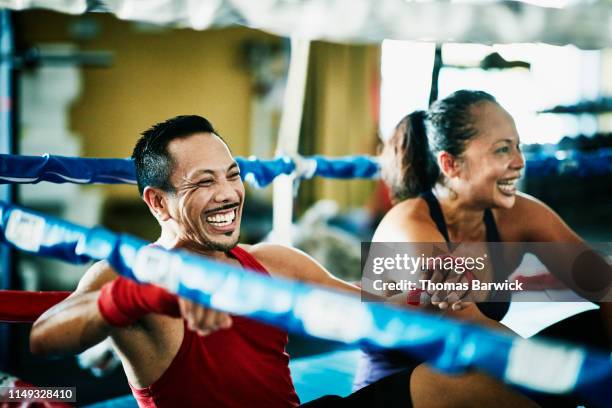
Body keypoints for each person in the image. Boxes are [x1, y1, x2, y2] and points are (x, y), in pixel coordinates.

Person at [26, 115, 550, 407]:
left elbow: (371, 309)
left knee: (478, 384)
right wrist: (137, 295)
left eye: (232, 175)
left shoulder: (273, 261)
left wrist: (432, 294)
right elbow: (43, 338)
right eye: (204, 182)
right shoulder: (131, 270)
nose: (229, 193)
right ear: (158, 202)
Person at [355, 90, 611, 406]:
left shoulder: (519, 214)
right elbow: (470, 328)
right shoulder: (409, 228)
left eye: (517, 147)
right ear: (450, 164)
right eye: (502, 150)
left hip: (473, 374)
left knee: (595, 324)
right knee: (514, 377)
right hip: (408, 393)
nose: (519, 162)